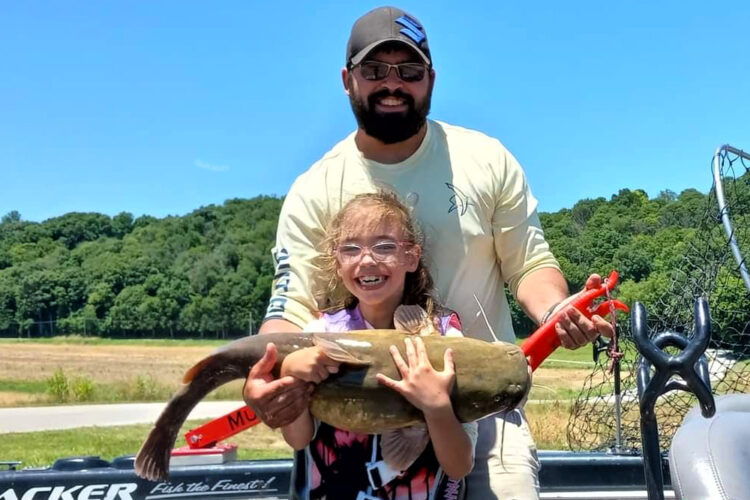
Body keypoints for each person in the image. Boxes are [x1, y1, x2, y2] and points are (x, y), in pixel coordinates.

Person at [244, 6, 614, 499]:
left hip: (483, 405)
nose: (392, 84)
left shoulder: (485, 159)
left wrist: (555, 311)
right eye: (374, 70)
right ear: (347, 80)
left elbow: (529, 264)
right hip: (355, 419)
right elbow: (288, 311)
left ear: (431, 79)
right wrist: (269, 375)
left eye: (409, 71)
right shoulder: (314, 188)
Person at [280, 191, 477, 499]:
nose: (367, 259)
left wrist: (437, 407)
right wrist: (291, 375)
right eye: (351, 248)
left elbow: (459, 466)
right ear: (337, 261)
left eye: (384, 246)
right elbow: (298, 438)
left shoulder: (445, 336)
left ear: (411, 257)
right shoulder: (319, 332)